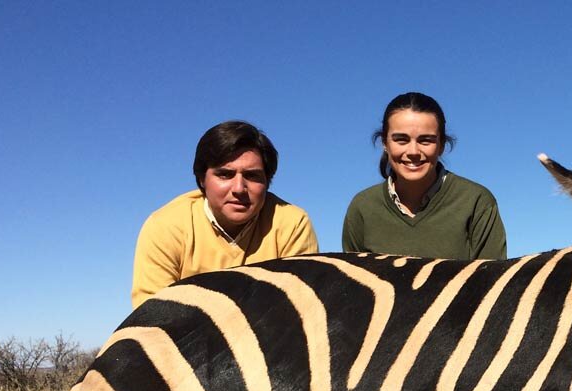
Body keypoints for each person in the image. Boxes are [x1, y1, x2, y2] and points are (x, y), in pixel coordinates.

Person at [131, 121, 318, 308]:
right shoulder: (165, 226)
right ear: (202, 179)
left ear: (267, 182)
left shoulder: (292, 224)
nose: (239, 188)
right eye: (225, 175)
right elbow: (152, 316)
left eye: (252, 176)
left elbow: (300, 310)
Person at [342, 92, 506, 260]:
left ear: (441, 145)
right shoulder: (362, 207)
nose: (413, 152)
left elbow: (491, 281)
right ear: (385, 143)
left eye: (425, 140)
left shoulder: (477, 201)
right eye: (401, 140)